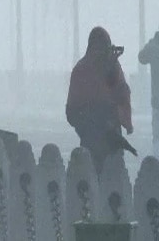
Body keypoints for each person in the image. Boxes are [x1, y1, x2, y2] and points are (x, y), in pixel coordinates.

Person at [67, 26, 134, 173]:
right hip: (108, 133)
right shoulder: (109, 66)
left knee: (92, 181)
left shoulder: (83, 68)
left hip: (93, 134)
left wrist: (84, 126)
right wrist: (126, 122)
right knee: (113, 182)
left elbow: (71, 112)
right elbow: (122, 94)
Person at [139, 29, 159, 156]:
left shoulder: (153, 48)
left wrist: (151, 43)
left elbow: (141, 57)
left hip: (157, 96)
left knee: (157, 130)